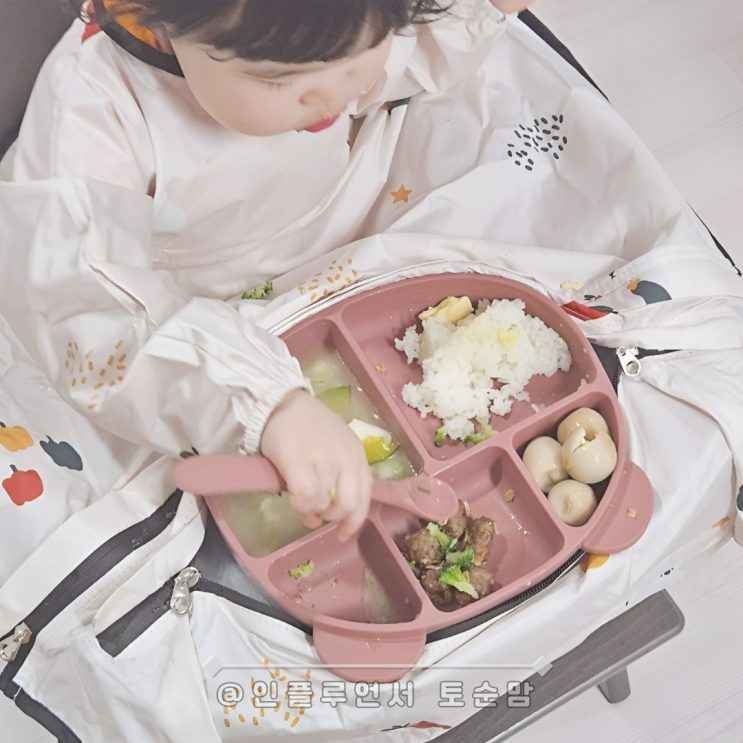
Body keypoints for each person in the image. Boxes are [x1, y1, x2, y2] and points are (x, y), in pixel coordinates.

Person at [0, 0, 532, 540]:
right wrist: (263, 405)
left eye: (365, 48)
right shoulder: (93, 110)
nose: (332, 96)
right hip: (196, 307)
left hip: (336, 215)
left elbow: (410, 56)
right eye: (280, 79)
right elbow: (83, 302)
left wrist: (478, 10)